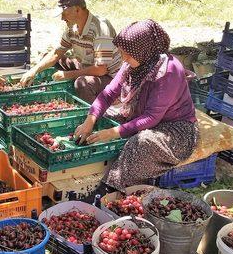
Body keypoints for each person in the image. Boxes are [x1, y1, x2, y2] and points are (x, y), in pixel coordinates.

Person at [74, 20, 198, 190]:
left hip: (175, 129)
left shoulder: (169, 71)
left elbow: (151, 117)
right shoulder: (134, 64)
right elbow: (109, 93)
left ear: (144, 50)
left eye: (128, 55)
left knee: (141, 142)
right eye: (122, 53)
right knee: (100, 119)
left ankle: (111, 188)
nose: (124, 59)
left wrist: (112, 133)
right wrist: (90, 119)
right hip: (139, 116)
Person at [19, 0, 122, 104]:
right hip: (87, 65)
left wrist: (68, 75)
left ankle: (96, 117)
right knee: (45, 57)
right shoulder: (72, 28)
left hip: (110, 76)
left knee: (82, 83)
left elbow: (101, 69)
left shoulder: (101, 28)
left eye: (64, 14)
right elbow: (57, 53)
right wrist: (34, 70)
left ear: (77, 10)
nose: (62, 18)